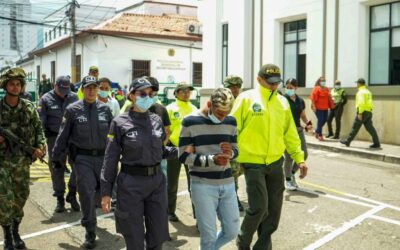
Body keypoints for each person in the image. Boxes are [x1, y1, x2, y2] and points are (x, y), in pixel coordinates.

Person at [231, 64, 308, 250]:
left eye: (276, 83)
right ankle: (243, 241)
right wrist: (229, 154)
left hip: (275, 163)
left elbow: (290, 133)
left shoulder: (282, 103)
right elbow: (232, 129)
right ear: (259, 79)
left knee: (273, 212)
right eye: (269, 82)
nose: (273, 86)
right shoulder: (246, 99)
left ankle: (263, 247)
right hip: (252, 163)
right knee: (259, 208)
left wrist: (300, 158)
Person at [101, 78, 173, 250]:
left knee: (157, 236)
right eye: (142, 93)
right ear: (132, 95)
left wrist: (184, 151)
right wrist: (106, 192)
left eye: (151, 94)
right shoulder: (119, 123)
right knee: (134, 238)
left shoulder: (156, 120)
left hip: (157, 183)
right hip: (131, 184)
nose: (147, 97)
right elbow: (110, 159)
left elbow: (161, 151)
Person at [52, 75, 113, 249]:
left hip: (103, 158)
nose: (92, 90)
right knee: (86, 192)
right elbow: (62, 136)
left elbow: (113, 136)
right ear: (82, 89)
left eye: (95, 87)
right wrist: (57, 158)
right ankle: (90, 230)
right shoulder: (72, 110)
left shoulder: (105, 109)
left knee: (103, 193)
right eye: (88, 87)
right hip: (82, 159)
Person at [179, 88, 240, 249]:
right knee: (209, 236)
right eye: (219, 113)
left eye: (226, 114)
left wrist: (231, 153)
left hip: (227, 183)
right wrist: (212, 159)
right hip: (202, 184)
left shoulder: (231, 120)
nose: (222, 118)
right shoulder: (189, 121)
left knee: (232, 231)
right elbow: (183, 157)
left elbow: (236, 149)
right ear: (209, 104)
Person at [0, 68, 46, 250]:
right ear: (5, 86)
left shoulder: (28, 107)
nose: (15, 86)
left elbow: (38, 130)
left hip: (22, 161)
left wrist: (40, 146)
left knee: (21, 196)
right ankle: (7, 236)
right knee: (4, 198)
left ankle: (16, 230)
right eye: (12, 83)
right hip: (2, 161)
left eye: (18, 84)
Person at [38, 76, 80, 213]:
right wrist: (40, 142)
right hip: (54, 139)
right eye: (61, 89)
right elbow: (40, 122)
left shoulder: (74, 97)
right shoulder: (45, 99)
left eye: (66, 89)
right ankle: (60, 198)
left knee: (79, 166)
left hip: (72, 139)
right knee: (57, 168)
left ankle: (72, 193)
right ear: (55, 85)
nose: (64, 92)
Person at [166, 82, 198, 222]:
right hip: (174, 150)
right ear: (176, 93)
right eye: (183, 91)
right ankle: (169, 211)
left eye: (188, 91)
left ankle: (198, 214)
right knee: (172, 183)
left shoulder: (194, 109)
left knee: (195, 184)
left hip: (191, 150)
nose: (186, 93)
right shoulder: (170, 109)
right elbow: (166, 130)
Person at [283, 78, 313, 191]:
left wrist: (308, 123)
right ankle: (288, 180)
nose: (289, 89)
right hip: (286, 132)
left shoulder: (300, 101)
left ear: (296, 88)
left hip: (299, 130)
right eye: (287, 87)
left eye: (291, 87)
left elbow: (303, 115)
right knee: (289, 157)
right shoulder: (282, 99)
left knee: (304, 154)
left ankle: (291, 173)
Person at [223, 75, 244, 211]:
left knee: (239, 170)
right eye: (231, 86)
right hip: (229, 142)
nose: (234, 89)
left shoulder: (243, 101)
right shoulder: (222, 101)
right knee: (232, 172)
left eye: (237, 86)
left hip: (243, 142)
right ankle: (233, 198)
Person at [340, 78, 380, 149]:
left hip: (362, 112)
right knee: (370, 128)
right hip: (368, 112)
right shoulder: (368, 92)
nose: (356, 85)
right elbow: (370, 102)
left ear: (359, 83)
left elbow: (361, 103)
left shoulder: (360, 92)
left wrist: (360, 113)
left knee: (355, 127)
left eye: (357, 83)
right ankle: (377, 143)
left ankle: (348, 141)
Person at [310, 76, 333, 141]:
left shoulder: (326, 89)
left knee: (325, 119)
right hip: (318, 108)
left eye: (324, 81)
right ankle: (320, 135)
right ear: (319, 82)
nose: (323, 82)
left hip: (325, 107)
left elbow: (328, 97)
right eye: (322, 81)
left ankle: (317, 131)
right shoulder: (316, 88)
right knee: (320, 121)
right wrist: (314, 106)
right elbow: (312, 98)